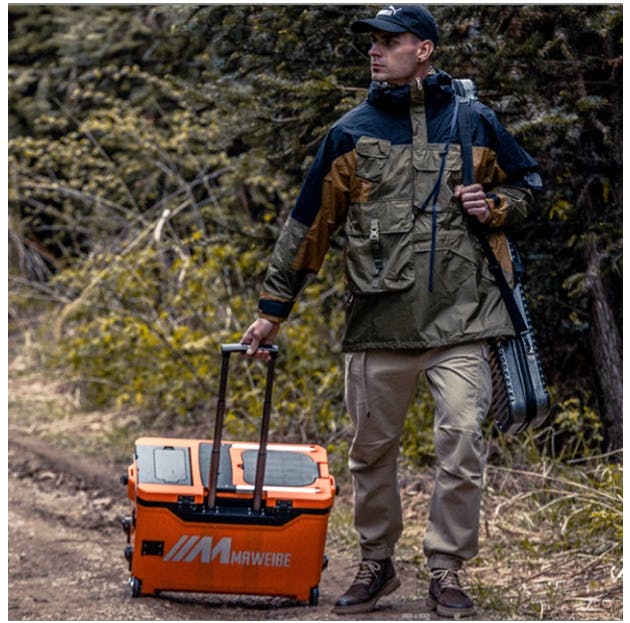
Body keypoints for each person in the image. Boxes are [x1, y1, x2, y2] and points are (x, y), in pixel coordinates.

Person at [241, 4, 541, 618]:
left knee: (462, 442)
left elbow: (530, 188)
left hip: (463, 320)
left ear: (423, 49)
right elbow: (309, 226)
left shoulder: (475, 121)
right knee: (371, 454)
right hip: (379, 324)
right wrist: (273, 310)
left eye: (389, 41)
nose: (375, 51)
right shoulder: (351, 132)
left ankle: (446, 570)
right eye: (372, 42)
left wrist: (496, 207)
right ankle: (376, 564)